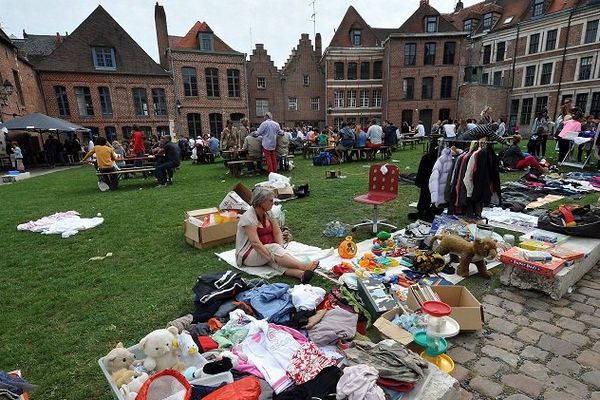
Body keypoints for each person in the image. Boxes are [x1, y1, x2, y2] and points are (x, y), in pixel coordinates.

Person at [235, 187, 319, 283]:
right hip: (248, 255)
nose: (273, 203)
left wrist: (280, 249)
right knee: (274, 252)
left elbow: (277, 232)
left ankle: (300, 275)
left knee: (277, 255)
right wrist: (273, 255)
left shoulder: (268, 213)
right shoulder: (248, 218)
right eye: (270, 201)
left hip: (263, 249)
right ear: (261, 202)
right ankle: (303, 266)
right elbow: (255, 243)